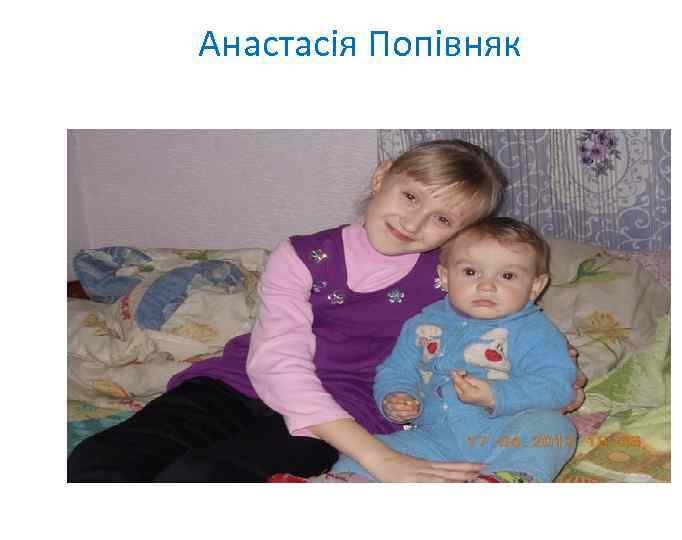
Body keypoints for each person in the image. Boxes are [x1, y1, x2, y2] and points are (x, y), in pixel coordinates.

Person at [68, 140, 585, 482]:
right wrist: (381, 459)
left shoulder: (449, 276)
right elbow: (277, 361)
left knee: (204, 478)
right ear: (382, 176)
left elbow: (512, 330)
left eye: (442, 219)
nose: (413, 223)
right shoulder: (301, 255)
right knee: (100, 461)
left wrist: (561, 380)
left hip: (347, 414)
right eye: (410, 196)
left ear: (459, 236)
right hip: (237, 385)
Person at [328, 217, 578, 482]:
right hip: (433, 439)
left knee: (555, 430)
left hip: (504, 434)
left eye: (507, 276)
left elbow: (557, 386)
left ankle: (506, 478)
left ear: (535, 286)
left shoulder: (535, 331)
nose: (486, 285)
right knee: (364, 452)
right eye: (470, 272)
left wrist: (495, 395)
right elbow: (396, 370)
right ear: (445, 277)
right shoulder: (421, 325)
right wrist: (397, 396)